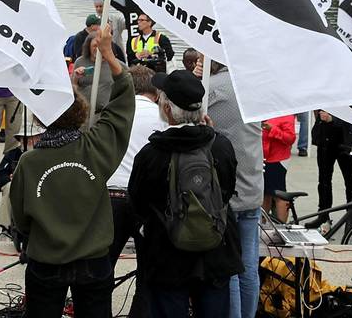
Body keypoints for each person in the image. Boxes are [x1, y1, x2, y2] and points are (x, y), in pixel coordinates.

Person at [9, 25, 129, 317]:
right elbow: (123, 103)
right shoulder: (96, 147)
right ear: (81, 112)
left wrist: (31, 237)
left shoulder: (29, 161)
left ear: (42, 118)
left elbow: (20, 216)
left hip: (46, 257)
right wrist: (109, 54)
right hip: (93, 259)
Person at [129, 70, 242, 316]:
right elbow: (227, 190)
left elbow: (137, 202)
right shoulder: (221, 146)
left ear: (167, 109)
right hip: (215, 249)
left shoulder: (151, 153)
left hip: (166, 254)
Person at [199, 56, 264, 318]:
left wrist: (197, 78)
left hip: (226, 191)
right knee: (249, 264)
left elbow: (188, 114)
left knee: (230, 268)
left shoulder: (212, 89)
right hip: (253, 187)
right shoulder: (253, 87)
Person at [106, 66, 168, 275]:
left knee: (103, 267)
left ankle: (98, 307)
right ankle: (140, 309)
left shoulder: (113, 113)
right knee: (148, 271)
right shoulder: (162, 117)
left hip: (112, 193)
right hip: (146, 199)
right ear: (155, 91)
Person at [305, 110, 352, 228]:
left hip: (346, 140)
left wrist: (333, 119)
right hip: (326, 140)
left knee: (350, 181)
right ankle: (323, 215)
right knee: (324, 181)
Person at [74, 32, 128, 111]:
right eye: (95, 46)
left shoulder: (116, 64)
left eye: (101, 46)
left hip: (107, 113)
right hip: (85, 112)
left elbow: (128, 85)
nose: (98, 49)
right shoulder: (80, 61)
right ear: (88, 47)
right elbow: (74, 86)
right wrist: (76, 76)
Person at [262, 115, 297, 223]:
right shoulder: (264, 112)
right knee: (265, 194)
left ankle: (281, 227)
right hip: (263, 158)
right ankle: (261, 227)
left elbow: (290, 138)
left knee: (279, 194)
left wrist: (272, 129)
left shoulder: (286, 115)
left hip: (277, 159)